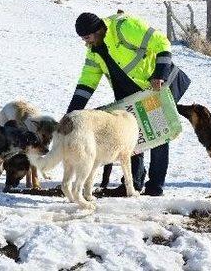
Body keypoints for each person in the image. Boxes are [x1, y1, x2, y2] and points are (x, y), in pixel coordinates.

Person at [66, 11, 190, 196]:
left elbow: (161, 42)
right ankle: (133, 184)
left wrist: (160, 74)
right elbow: (87, 82)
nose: (86, 42)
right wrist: (71, 113)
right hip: (130, 95)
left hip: (155, 89)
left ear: (98, 30)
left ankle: (155, 187)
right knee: (131, 139)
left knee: (157, 135)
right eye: (83, 39)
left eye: (88, 37)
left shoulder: (123, 27)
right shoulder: (94, 51)